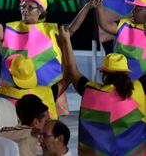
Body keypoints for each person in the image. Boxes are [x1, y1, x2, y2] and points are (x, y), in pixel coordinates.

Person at [0, 0, 98, 115]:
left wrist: (88, 6)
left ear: (41, 11)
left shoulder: (52, 30)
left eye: (30, 7)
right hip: (14, 93)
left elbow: (72, 28)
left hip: (47, 92)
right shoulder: (11, 29)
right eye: (22, 6)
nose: (24, 10)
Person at [58, 25, 146, 155]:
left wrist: (66, 40)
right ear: (126, 73)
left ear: (104, 74)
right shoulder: (139, 89)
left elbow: (72, 70)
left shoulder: (90, 91)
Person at [0, 54, 63, 118]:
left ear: (11, 74)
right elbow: (69, 76)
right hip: (50, 130)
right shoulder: (48, 91)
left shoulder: (0, 93)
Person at [96, 0, 146, 79]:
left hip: (141, 85)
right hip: (118, 80)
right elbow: (105, 25)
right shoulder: (125, 23)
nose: (133, 11)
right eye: (134, 7)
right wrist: (99, 6)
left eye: (138, 9)